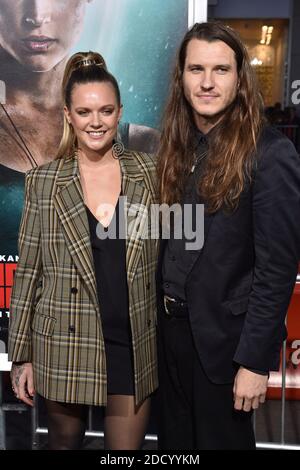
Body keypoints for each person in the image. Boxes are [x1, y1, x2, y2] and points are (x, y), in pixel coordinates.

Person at [156, 22, 300, 450]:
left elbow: (276, 270)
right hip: (169, 337)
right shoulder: (174, 147)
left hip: (226, 347)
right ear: (181, 77)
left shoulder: (271, 153)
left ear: (239, 79)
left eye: (220, 70)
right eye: (196, 69)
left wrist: (255, 362)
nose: (206, 82)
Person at [8, 51, 158, 450]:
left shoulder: (150, 173)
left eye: (106, 111)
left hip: (131, 341)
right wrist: (21, 355)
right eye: (85, 111)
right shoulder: (44, 182)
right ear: (68, 115)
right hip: (64, 341)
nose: (96, 122)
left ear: (120, 112)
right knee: (63, 445)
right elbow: (29, 273)